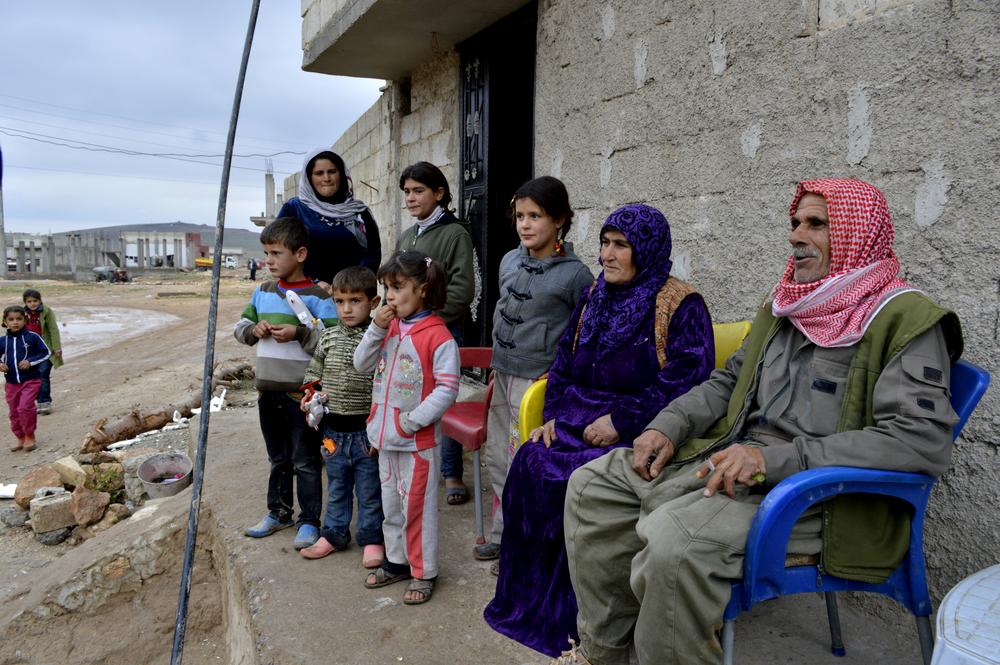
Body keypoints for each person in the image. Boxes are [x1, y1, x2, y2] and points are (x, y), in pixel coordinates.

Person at [557, 178, 963, 665]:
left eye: (816, 224)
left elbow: (919, 441)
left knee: (674, 542)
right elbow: (729, 382)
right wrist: (668, 424)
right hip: (730, 456)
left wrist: (772, 461)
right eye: (795, 223)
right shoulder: (790, 303)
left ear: (858, 233)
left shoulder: (904, 318)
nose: (796, 235)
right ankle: (603, 653)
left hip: (816, 497)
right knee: (591, 487)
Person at [485, 204, 716, 656]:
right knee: (533, 460)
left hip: (638, 428)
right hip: (575, 417)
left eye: (621, 246)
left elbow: (688, 380)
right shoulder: (594, 295)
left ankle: (584, 622)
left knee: (581, 481)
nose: (608, 255)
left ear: (645, 250)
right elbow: (564, 364)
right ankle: (529, 605)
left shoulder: (680, 303)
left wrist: (622, 421)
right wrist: (554, 415)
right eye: (605, 244)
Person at [476, 176, 594, 565]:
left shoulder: (576, 275)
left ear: (559, 219)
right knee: (496, 455)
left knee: (524, 459)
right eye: (520, 216)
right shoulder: (511, 260)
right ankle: (502, 532)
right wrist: (496, 366)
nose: (525, 224)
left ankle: (524, 548)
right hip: (504, 374)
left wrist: (558, 375)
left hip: (537, 384)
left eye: (536, 216)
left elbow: (583, 335)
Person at [354, 250, 460, 605]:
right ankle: (397, 561)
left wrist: (410, 422)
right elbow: (361, 365)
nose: (390, 297)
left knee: (418, 508)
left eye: (398, 288)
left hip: (417, 444)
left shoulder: (439, 337)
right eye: (387, 289)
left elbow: (447, 389)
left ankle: (423, 571)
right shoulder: (389, 328)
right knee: (392, 508)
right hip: (386, 442)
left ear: (424, 290)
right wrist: (375, 327)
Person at [234, 217, 338, 550]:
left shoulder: (319, 297)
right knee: (278, 457)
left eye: (277, 253)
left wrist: (301, 332)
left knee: (306, 460)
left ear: (301, 253)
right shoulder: (263, 292)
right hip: (269, 392)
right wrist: (254, 330)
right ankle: (278, 512)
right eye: (266, 253)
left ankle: (309, 520)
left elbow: (334, 342)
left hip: (303, 396)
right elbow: (241, 327)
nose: (269, 260)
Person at [396, 161, 475, 506]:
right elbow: (394, 282)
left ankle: (451, 471)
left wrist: (430, 319)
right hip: (407, 332)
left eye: (418, 191)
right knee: (412, 392)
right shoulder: (407, 237)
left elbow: (462, 288)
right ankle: (413, 458)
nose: (411, 199)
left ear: (439, 194)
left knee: (444, 397)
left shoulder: (455, 233)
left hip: (442, 330)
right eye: (407, 193)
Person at [298, 266, 386, 570]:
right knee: (336, 487)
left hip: (366, 434)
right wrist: (309, 397)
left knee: (369, 490)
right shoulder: (328, 337)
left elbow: (385, 385)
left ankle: (372, 538)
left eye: (355, 301)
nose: (346, 309)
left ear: (373, 302)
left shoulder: (378, 339)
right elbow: (314, 372)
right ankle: (333, 534)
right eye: (340, 301)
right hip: (333, 432)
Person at [277, 148, 381, 284]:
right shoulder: (295, 209)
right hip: (306, 294)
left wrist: (356, 283)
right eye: (319, 173)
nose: (326, 178)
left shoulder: (358, 211)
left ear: (342, 174)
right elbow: (279, 250)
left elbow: (373, 252)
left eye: (332, 171)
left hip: (350, 294)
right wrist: (311, 283)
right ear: (309, 178)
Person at [1, 305, 50, 452]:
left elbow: (45, 352)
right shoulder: (2, 341)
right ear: (5, 322)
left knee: (25, 408)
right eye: (11, 319)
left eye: (19, 319)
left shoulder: (32, 337)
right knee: (14, 412)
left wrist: (30, 361)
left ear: (25, 320)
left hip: (31, 380)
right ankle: (20, 437)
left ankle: (30, 435)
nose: (15, 322)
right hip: (11, 383)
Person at [22, 289, 62, 415]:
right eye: (29, 301)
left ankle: (44, 402)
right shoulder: (22, 313)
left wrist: (57, 347)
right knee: (31, 377)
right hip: (29, 351)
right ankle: (36, 402)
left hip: (45, 349)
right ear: (25, 302)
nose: (32, 304)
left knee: (43, 375)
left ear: (40, 301)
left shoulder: (46, 311)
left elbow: (53, 330)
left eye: (35, 301)